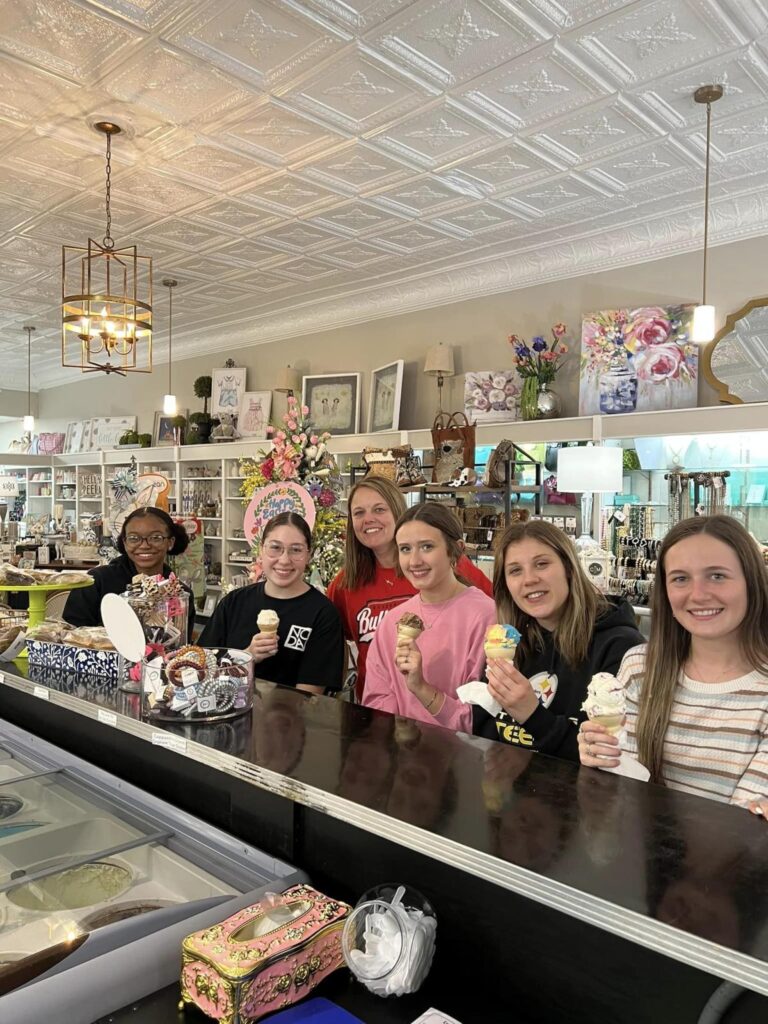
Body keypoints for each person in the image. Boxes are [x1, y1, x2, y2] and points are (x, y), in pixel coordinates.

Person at [579, 515, 768, 817]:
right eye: (680, 578)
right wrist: (599, 762)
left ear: (752, 581)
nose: (698, 594)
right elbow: (618, 798)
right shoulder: (640, 667)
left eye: (717, 575)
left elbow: (746, 823)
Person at [474, 520, 642, 761]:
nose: (529, 579)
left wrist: (531, 714)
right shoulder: (513, 644)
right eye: (515, 570)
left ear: (569, 568)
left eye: (541, 564)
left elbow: (609, 757)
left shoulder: (619, 646)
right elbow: (483, 728)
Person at [327, 477, 493, 700]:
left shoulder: (447, 565)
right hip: (379, 708)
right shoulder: (346, 583)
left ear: (398, 511)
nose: (368, 519)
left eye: (379, 509)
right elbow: (334, 641)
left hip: (451, 709)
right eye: (358, 513)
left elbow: (495, 613)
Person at [363, 502, 496, 730]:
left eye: (426, 547)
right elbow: (376, 699)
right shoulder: (393, 621)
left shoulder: (486, 616)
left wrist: (421, 688)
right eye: (405, 549)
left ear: (456, 550)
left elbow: (482, 719)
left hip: (464, 757)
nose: (414, 561)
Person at [200, 511, 344, 695]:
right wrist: (246, 656)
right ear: (261, 550)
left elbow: (308, 697)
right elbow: (202, 665)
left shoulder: (323, 614)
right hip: (226, 709)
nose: (284, 560)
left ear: (309, 555)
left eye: (296, 550)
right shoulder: (234, 603)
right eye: (275, 548)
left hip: (290, 718)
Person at [63, 506, 195, 639]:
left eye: (156, 537)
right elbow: (70, 637)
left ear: (170, 542)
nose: (144, 545)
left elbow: (181, 647)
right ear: (124, 542)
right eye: (133, 538)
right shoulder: (94, 582)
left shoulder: (180, 593)